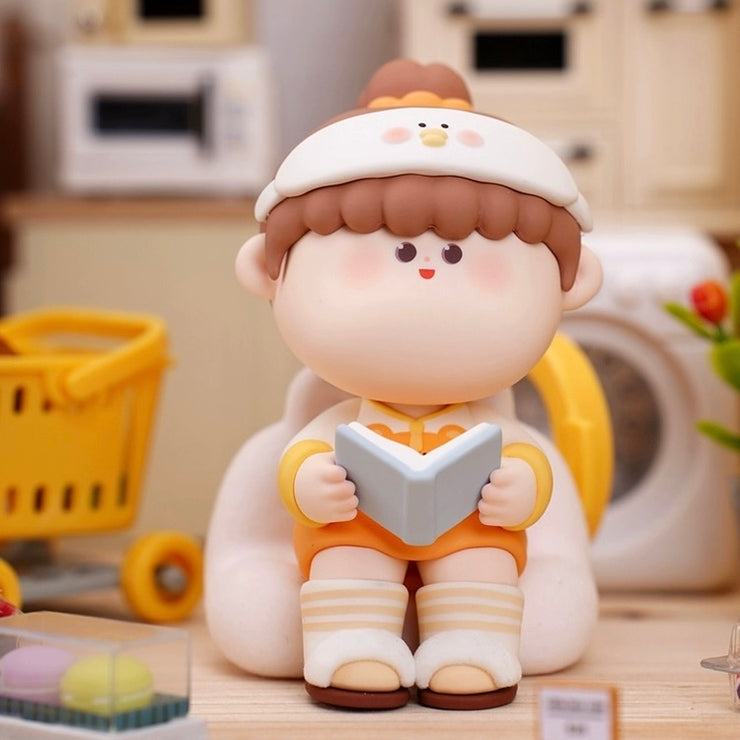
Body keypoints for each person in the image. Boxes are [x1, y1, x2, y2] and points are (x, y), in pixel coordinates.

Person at [233, 58, 602, 710]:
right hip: (358, 527)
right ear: (266, 272)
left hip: (467, 531)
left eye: (457, 253)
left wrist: (521, 490)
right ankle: (351, 649)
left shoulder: (492, 425)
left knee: (485, 561)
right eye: (400, 251)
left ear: (573, 284)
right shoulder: (341, 419)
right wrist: (312, 484)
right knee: (344, 557)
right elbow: (303, 456)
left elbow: (527, 463)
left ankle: (473, 651)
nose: (428, 269)